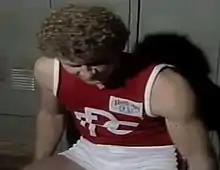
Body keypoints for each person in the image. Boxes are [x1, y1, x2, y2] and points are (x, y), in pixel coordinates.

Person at [23, 4, 218, 170]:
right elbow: (52, 115)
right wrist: (41, 162)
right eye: (74, 66)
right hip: (89, 152)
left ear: (119, 50)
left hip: (149, 159)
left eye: (99, 63)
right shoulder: (49, 70)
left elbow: (197, 155)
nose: (88, 73)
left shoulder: (165, 85)